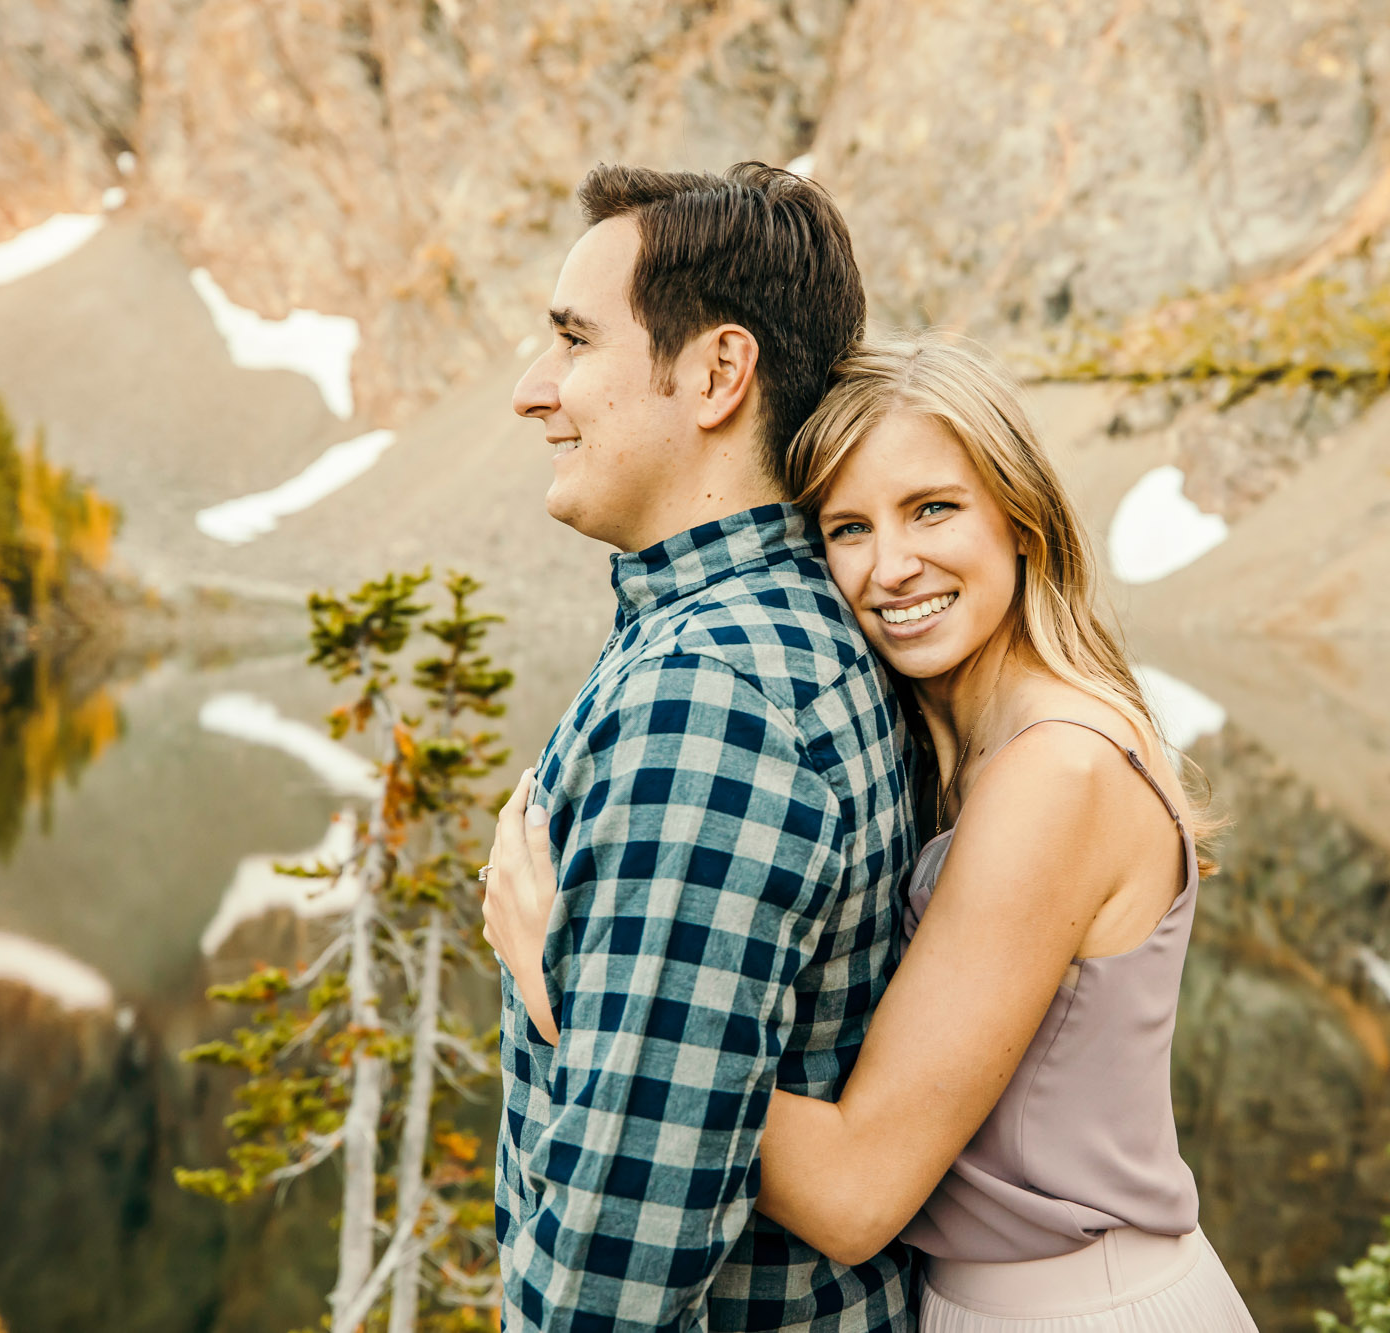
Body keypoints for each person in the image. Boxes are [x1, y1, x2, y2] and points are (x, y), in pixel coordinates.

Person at [491, 331, 1259, 1330]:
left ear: (1019, 518)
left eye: (931, 508)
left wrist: (579, 999)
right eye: (846, 528)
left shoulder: (1055, 771)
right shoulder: (961, 739)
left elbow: (856, 1191)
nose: (891, 567)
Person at [482, 162, 920, 1332]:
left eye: (573, 340)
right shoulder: (796, 625)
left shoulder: (705, 695)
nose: (534, 391)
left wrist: (548, 980)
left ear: (718, 373)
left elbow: (614, 1280)